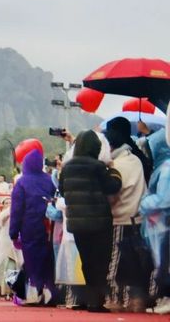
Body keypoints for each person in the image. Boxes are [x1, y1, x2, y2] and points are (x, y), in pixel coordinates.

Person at [59, 130, 122, 312]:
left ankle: (90, 299)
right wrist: (114, 171)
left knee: (86, 261)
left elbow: (62, 190)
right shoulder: (98, 167)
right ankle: (98, 301)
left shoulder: (67, 168)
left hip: (77, 224)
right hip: (99, 222)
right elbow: (112, 186)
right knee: (100, 262)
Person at [104, 123, 150, 312]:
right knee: (135, 263)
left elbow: (113, 194)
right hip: (138, 219)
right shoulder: (135, 160)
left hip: (120, 219)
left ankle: (115, 300)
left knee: (115, 264)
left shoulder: (118, 165)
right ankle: (136, 300)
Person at [9, 139, 57, 306]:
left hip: (29, 228)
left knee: (31, 261)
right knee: (47, 260)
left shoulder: (21, 183)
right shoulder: (50, 180)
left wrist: (13, 234)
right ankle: (50, 292)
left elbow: (16, 211)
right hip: (47, 227)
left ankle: (33, 294)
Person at [139, 129, 170, 314]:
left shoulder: (166, 168)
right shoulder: (162, 167)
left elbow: (164, 199)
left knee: (164, 263)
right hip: (160, 225)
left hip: (163, 225)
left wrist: (144, 202)